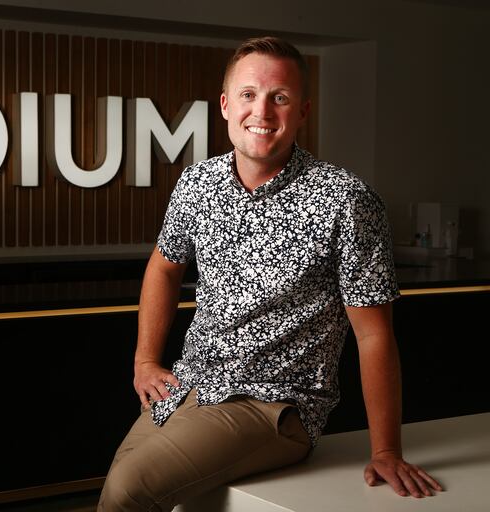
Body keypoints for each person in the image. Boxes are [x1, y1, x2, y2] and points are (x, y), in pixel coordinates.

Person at [97, 36, 442, 511]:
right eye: (248, 94)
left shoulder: (347, 200)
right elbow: (164, 265)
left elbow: (373, 334)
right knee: (122, 487)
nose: (261, 110)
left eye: (279, 97)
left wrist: (386, 452)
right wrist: (145, 361)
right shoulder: (197, 182)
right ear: (225, 105)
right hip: (191, 384)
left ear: (302, 112)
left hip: (275, 405)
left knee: (127, 489)